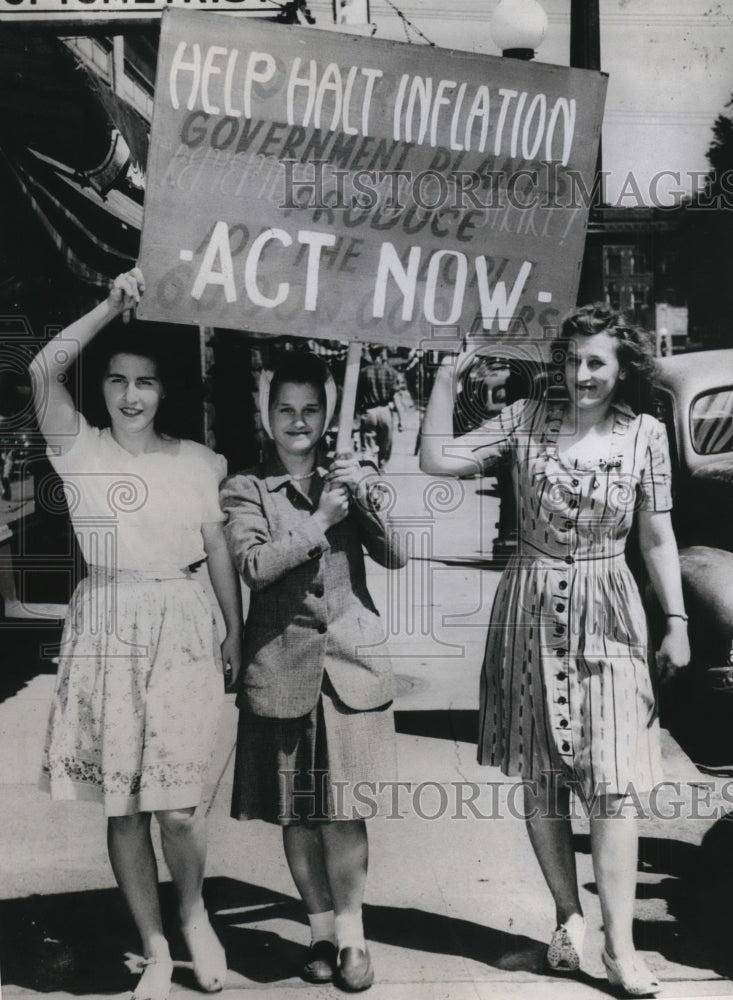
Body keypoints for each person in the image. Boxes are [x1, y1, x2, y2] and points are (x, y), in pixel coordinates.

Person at [419, 305, 690, 998]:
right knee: (540, 774)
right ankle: (568, 919)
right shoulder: (524, 420)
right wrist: (448, 381)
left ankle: (621, 948)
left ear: (622, 366)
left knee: (613, 784)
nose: (581, 374)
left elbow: (656, 537)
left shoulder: (646, 436)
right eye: (570, 360)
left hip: (610, 604)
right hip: (530, 606)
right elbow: (435, 459)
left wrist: (676, 620)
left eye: (595, 361)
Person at [29, 269, 243, 1000]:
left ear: (165, 389)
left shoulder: (197, 462)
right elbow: (39, 369)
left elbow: (217, 554)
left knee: (178, 805)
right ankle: (153, 946)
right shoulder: (80, 451)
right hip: (109, 630)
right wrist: (111, 306)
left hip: (182, 626)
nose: (130, 395)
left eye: (144, 382)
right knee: (124, 802)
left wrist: (233, 636)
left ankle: (193, 916)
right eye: (117, 381)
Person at [220, 352, 406, 992]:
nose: (297, 422)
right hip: (281, 669)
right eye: (285, 410)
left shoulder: (350, 475)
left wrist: (363, 494)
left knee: (344, 811)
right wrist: (322, 518)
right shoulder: (245, 487)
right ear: (267, 415)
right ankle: (320, 931)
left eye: (310, 410)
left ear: (328, 414)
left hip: (349, 667)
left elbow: (397, 553)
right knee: (297, 813)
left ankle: (353, 938)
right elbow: (253, 566)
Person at [356, 347, 400, 470]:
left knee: (368, 447)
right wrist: (401, 419)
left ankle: (369, 473)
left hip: (369, 411)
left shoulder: (363, 372)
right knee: (386, 444)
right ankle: (382, 470)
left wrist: (357, 415)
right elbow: (395, 396)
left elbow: (358, 397)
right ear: (382, 354)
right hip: (385, 411)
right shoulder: (391, 371)